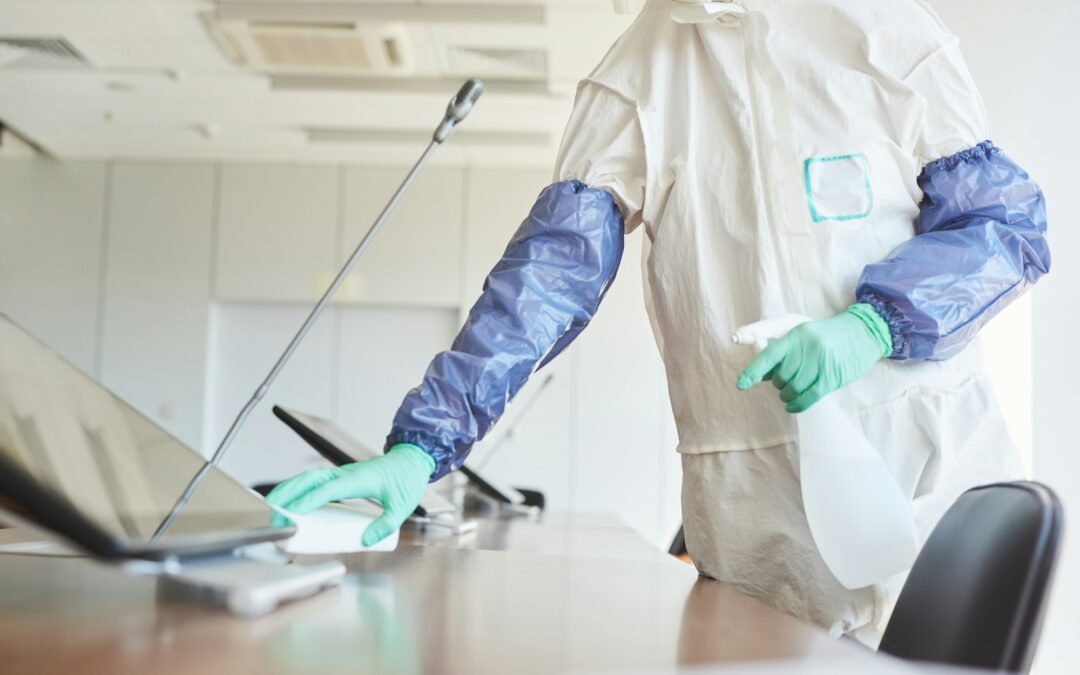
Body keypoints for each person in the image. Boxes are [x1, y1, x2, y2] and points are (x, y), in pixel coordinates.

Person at [268, 0, 1050, 644]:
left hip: (930, 479)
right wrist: (421, 447)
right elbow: (549, 276)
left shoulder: (888, 31)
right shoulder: (637, 77)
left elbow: (1003, 227)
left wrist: (873, 326)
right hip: (756, 519)